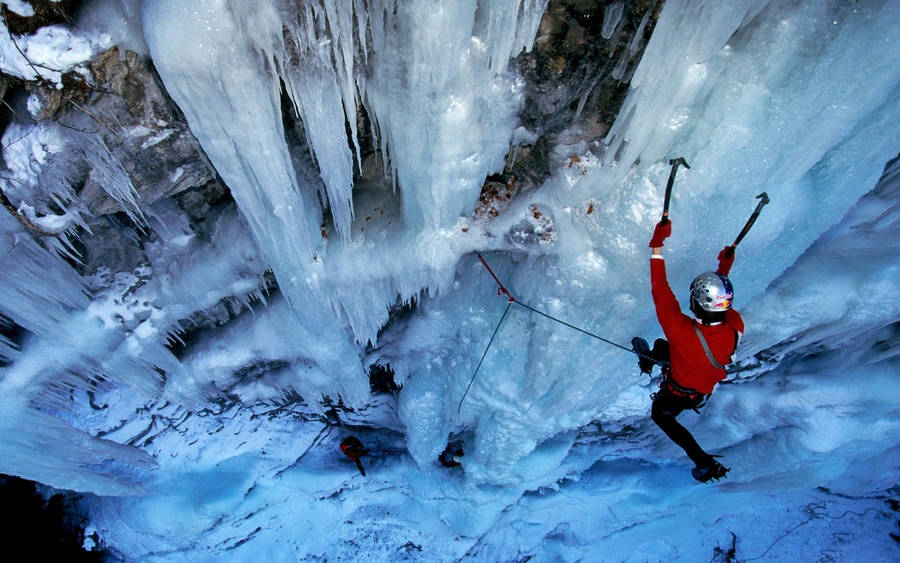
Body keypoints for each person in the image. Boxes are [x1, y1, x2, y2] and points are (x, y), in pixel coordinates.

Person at [636, 219, 744, 482]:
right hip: (695, 392)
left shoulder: (680, 329)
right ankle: (649, 359)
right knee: (664, 348)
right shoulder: (734, 329)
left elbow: (661, 289)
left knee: (660, 414)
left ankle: (704, 461)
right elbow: (720, 307)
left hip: (677, 388)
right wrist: (723, 273)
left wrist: (656, 245)